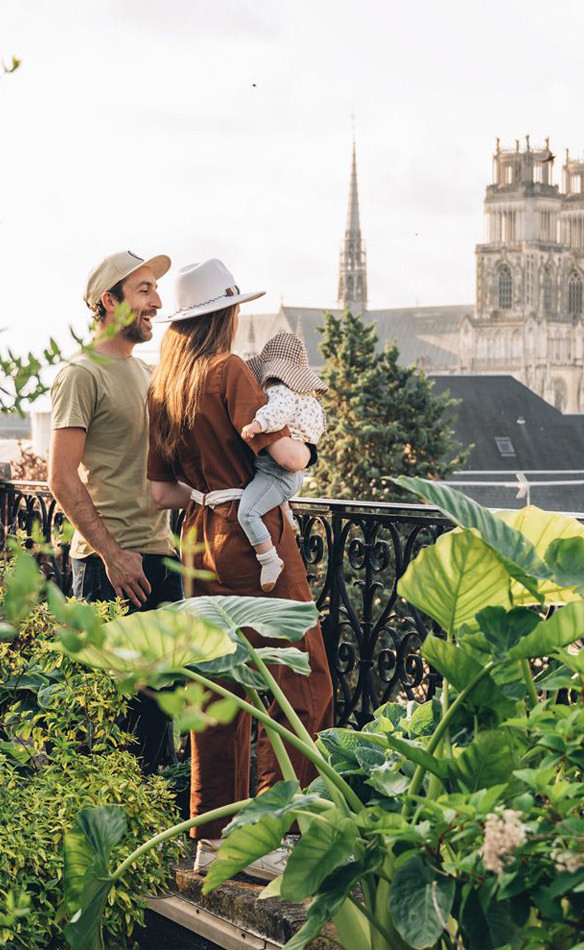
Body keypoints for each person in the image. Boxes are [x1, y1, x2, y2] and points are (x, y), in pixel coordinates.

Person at [143, 259, 335, 881]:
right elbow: (284, 451)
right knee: (299, 682)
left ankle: (211, 834)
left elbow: (159, 494)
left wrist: (209, 488)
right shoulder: (228, 371)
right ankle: (271, 839)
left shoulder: (163, 386)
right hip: (254, 549)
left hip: (198, 539)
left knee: (217, 691)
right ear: (224, 316)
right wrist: (302, 448)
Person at [47, 249, 182, 774]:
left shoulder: (147, 374)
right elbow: (60, 477)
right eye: (144, 290)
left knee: (160, 710)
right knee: (116, 719)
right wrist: (113, 554)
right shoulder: (82, 374)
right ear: (110, 301)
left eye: (155, 290)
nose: (157, 301)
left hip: (160, 558)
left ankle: (160, 840)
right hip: (113, 566)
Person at [236, 331, 328, 591]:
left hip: (277, 472)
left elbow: (277, 411)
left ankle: (269, 559)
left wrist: (256, 424)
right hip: (291, 475)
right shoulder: (307, 398)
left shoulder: (280, 391)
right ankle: (289, 519)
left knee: (248, 512)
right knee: (277, 495)